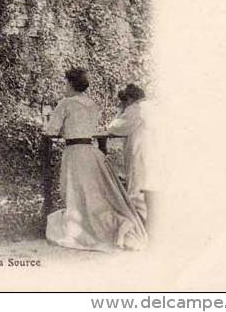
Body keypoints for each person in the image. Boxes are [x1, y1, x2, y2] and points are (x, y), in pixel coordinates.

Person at [43, 68, 147, 251]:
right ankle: (113, 226)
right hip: (91, 152)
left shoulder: (65, 103)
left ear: (70, 84)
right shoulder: (91, 104)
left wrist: (54, 128)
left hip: (74, 153)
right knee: (92, 196)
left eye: (65, 83)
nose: (63, 87)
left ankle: (83, 228)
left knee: (74, 194)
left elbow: (51, 131)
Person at [107, 84, 158, 233]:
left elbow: (114, 127)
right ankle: (150, 226)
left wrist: (120, 111)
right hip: (155, 151)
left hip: (141, 152)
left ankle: (139, 228)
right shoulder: (152, 107)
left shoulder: (136, 109)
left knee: (136, 187)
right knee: (149, 188)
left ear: (129, 99)